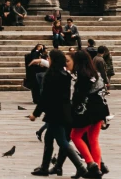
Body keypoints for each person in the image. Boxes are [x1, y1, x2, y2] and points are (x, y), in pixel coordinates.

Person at [29, 49, 88, 178]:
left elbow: (45, 97)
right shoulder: (65, 74)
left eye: (49, 58)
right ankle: (44, 167)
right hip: (65, 111)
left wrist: (35, 113)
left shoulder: (51, 75)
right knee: (49, 138)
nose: (48, 60)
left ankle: (80, 167)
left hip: (54, 113)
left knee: (62, 141)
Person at [70, 49, 109, 178]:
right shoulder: (95, 73)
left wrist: (73, 107)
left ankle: (91, 163)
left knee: (75, 136)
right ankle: (97, 168)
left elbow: (79, 95)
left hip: (88, 111)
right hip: (100, 109)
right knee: (93, 139)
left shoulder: (83, 75)